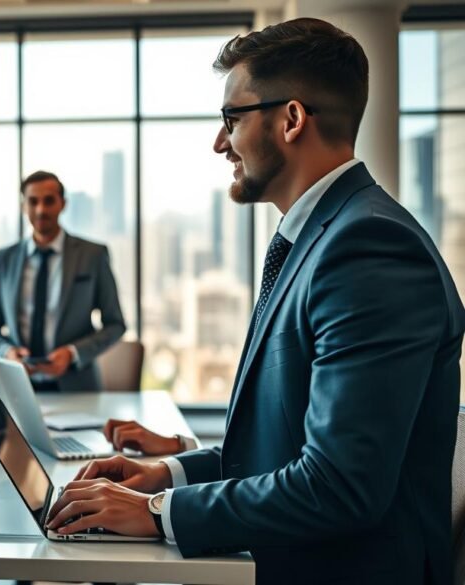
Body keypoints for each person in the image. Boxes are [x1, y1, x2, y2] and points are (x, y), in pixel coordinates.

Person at [46, 18, 464, 585]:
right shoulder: (325, 236)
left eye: (231, 119)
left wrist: (153, 514)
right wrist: (165, 475)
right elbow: (282, 447)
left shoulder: (368, 248)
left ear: (291, 119)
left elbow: (339, 486)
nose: (221, 142)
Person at [0, 170, 125, 393]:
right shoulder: (4, 259)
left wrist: (73, 353)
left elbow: (115, 324)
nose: (41, 210)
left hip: (77, 387)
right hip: (17, 387)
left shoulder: (93, 255)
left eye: (49, 201)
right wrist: (6, 352)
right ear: (23, 207)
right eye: (33, 202)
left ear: (63, 204)